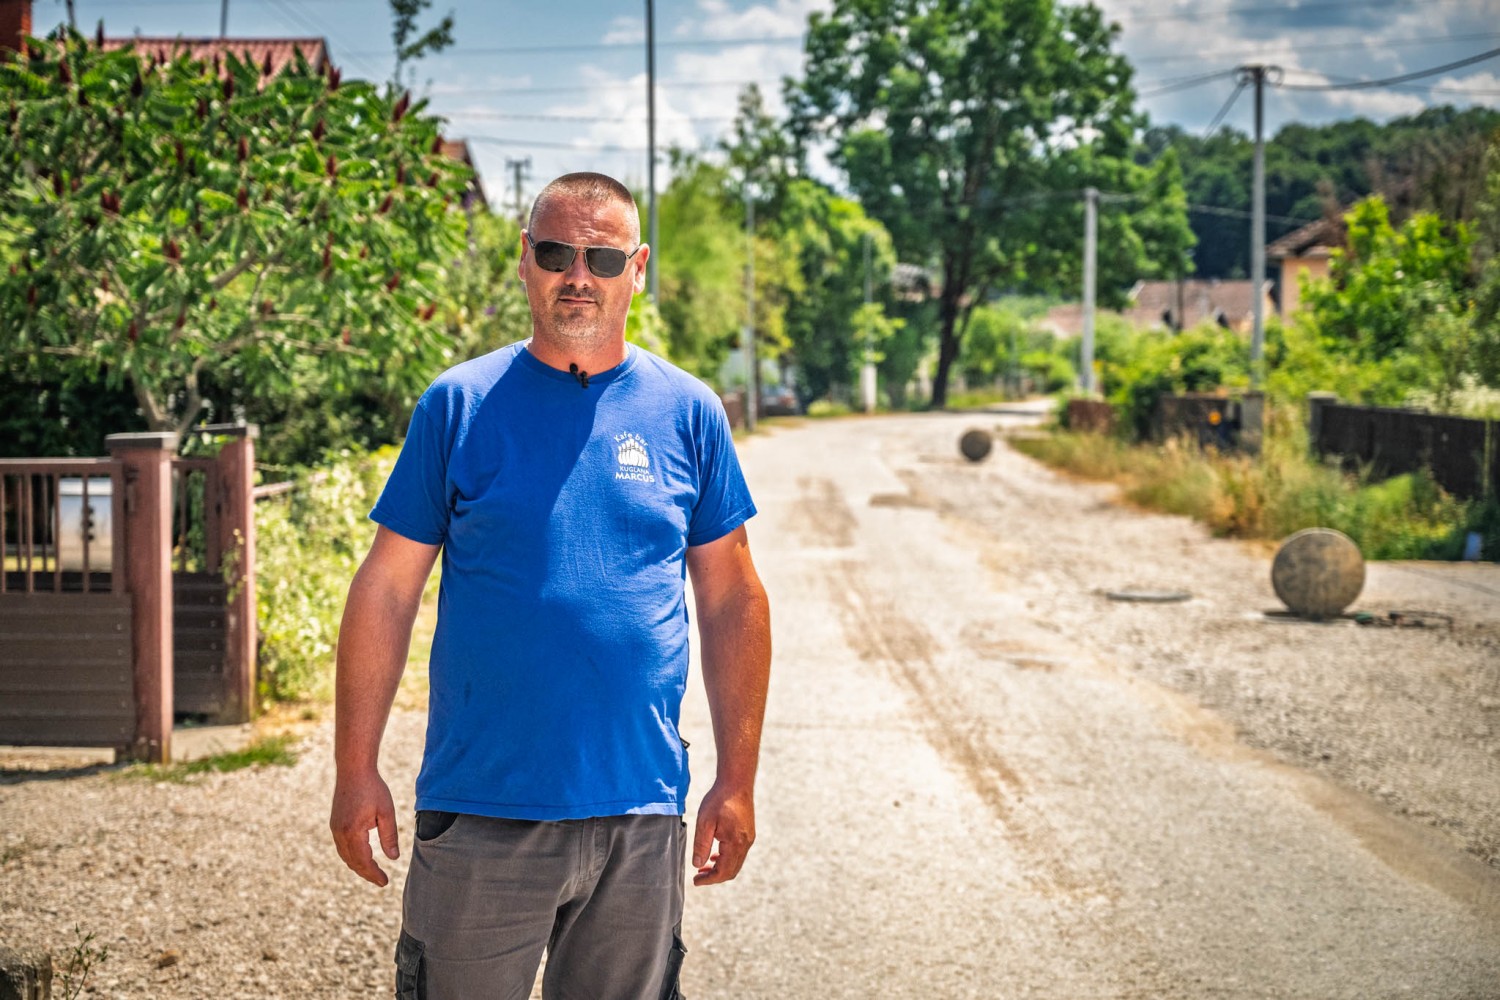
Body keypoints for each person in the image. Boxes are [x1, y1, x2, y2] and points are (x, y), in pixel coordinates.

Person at [329, 171, 772, 1000]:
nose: (578, 276)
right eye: (557, 253)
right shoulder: (458, 405)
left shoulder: (689, 412)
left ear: (637, 269)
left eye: (602, 258)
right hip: (483, 807)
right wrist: (355, 769)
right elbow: (385, 591)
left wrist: (737, 781)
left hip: (639, 812)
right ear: (524, 259)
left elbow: (732, 601)